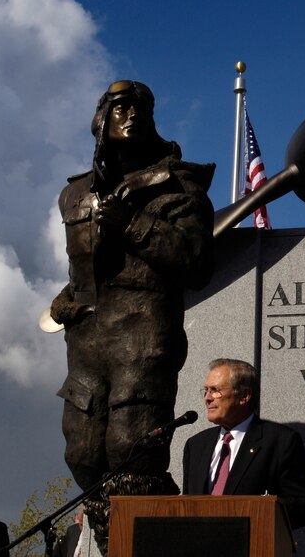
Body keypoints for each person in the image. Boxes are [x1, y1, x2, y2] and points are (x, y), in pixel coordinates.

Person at [49, 80, 215, 553]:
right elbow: (83, 270)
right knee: (81, 451)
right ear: (100, 119)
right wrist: (65, 300)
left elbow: (197, 262)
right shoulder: (74, 194)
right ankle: (112, 537)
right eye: (120, 106)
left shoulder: (178, 183)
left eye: (140, 107)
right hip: (87, 339)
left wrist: (134, 225)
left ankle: (140, 541)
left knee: (131, 451)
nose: (131, 114)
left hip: (143, 333)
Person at [182, 358, 305, 530]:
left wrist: (260, 510)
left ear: (244, 396)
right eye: (206, 391)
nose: (207, 398)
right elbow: (187, 507)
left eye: (215, 390)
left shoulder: (280, 441)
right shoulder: (196, 445)